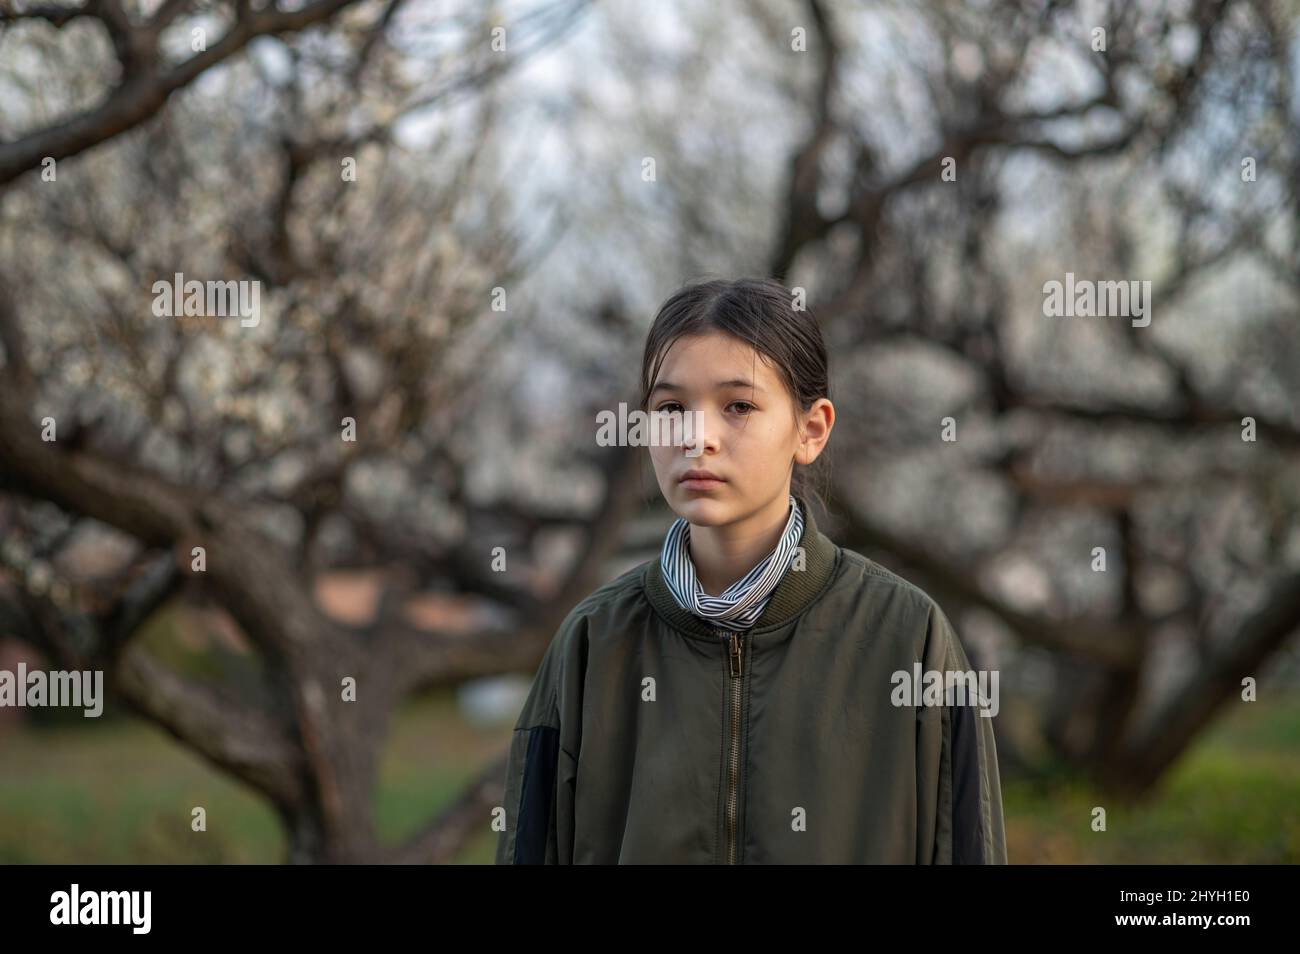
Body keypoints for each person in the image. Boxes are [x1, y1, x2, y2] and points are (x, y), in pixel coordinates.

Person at [495, 276, 1007, 864]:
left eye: (738, 405)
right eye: (671, 408)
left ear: (810, 430)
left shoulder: (907, 638)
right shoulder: (591, 644)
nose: (697, 438)